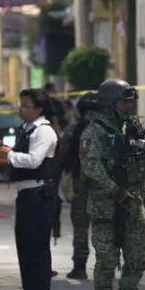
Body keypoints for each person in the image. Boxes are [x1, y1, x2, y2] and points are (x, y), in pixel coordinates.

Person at [79, 79, 145, 290]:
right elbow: (90, 167)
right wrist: (113, 189)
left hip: (132, 207)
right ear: (111, 103)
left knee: (137, 261)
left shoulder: (132, 131)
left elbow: (138, 172)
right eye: (124, 103)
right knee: (106, 262)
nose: (129, 107)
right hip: (106, 208)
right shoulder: (94, 132)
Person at [0, 88, 59, 290]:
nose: (21, 109)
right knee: (25, 250)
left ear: (39, 108)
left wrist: (9, 155)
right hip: (26, 194)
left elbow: (34, 160)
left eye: (26, 105)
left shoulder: (43, 131)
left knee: (37, 250)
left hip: (38, 195)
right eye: (20, 104)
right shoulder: (26, 129)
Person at [60, 91, 100, 280]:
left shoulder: (73, 129)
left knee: (81, 225)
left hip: (80, 182)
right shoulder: (110, 129)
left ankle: (80, 266)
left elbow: (63, 155)